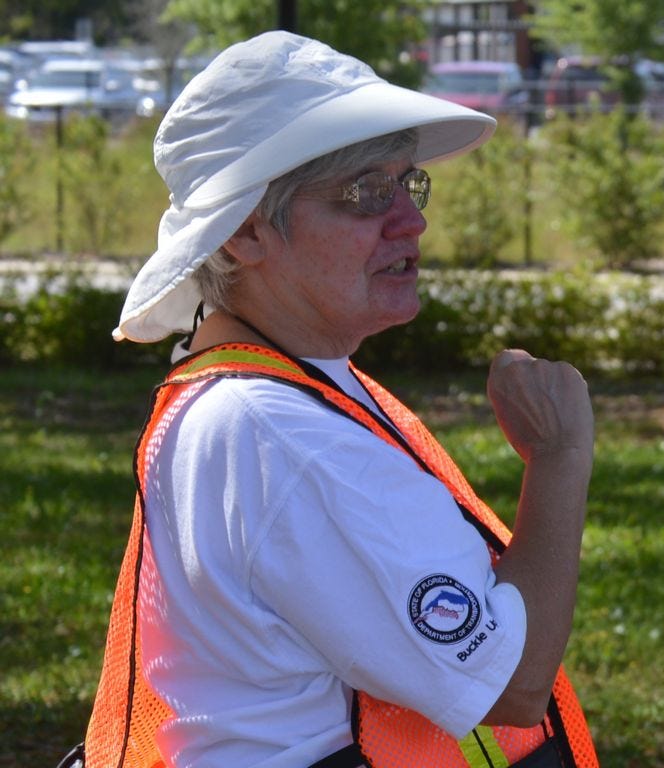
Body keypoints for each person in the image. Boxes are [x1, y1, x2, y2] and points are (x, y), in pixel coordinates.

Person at [82, 30, 597, 768]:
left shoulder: (260, 394)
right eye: (363, 192)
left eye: (407, 182)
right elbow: (509, 684)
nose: (410, 220)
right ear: (243, 234)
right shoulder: (279, 430)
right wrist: (559, 456)